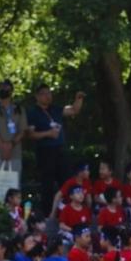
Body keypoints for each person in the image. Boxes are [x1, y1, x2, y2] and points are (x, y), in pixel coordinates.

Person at [27, 83, 85, 213]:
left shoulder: (55, 109)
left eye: (49, 93)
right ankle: (48, 213)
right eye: (44, 94)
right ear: (37, 96)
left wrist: (78, 99)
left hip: (59, 149)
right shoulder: (33, 113)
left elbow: (73, 110)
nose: (48, 96)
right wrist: (47, 133)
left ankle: (69, 209)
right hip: (45, 151)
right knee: (47, 183)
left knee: (66, 180)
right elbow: (30, 134)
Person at [0, 79, 27, 194]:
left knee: (14, 187)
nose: (3, 90)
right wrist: (2, 146)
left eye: (5, 87)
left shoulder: (19, 109)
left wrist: (11, 145)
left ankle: (13, 212)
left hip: (15, 154)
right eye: (0, 87)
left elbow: (22, 131)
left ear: (11, 90)